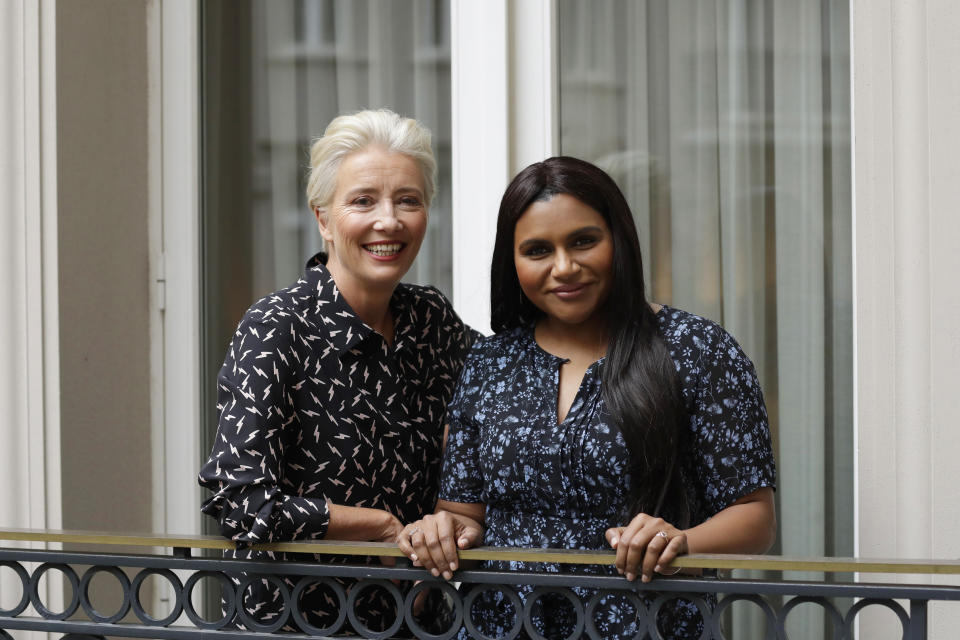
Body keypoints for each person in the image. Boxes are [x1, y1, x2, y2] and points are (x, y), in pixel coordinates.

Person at [398, 156, 777, 638]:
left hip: (644, 623)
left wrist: (678, 541)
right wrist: (440, 530)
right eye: (537, 250)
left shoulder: (698, 350)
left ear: (618, 239)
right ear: (512, 263)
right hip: (495, 626)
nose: (564, 267)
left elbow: (754, 517)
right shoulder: (489, 362)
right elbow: (462, 513)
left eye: (583, 241)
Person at [198, 109, 476, 633]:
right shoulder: (277, 326)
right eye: (363, 200)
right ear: (323, 218)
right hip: (297, 624)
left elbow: (500, 410)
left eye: (408, 200)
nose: (388, 220)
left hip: (415, 625)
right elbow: (238, 500)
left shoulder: (432, 320)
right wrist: (383, 527)